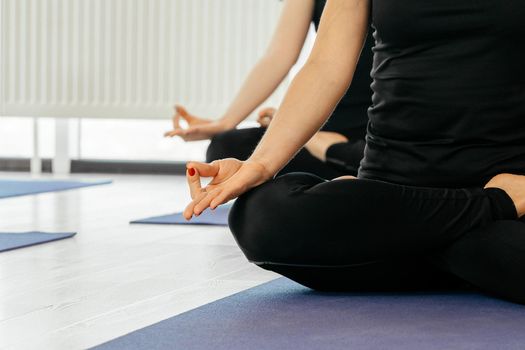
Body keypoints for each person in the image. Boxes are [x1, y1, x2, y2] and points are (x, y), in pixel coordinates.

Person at [182, 0, 525, 304]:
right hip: (393, 191)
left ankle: (409, 245)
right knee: (260, 216)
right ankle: (489, 213)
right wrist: (260, 163)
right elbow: (325, 66)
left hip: (493, 180)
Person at [165, 0, 374, 179]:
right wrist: (227, 121)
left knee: (373, 161)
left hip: (377, 134)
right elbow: (279, 55)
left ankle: (343, 165)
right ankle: (336, 164)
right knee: (226, 147)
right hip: (324, 129)